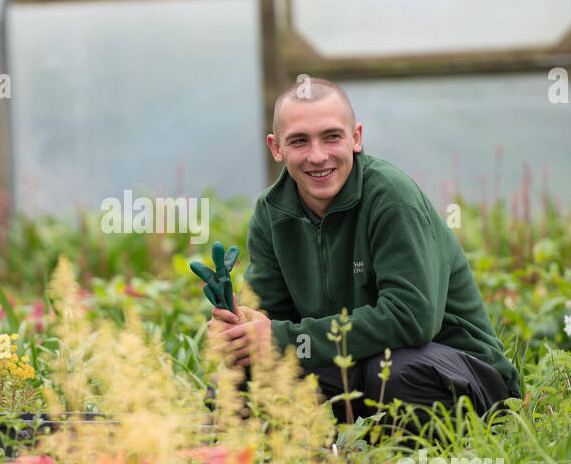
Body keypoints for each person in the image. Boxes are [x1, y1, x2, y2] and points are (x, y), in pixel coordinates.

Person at [208, 76, 522, 430]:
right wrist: (241, 334)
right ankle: (346, 449)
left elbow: (411, 320)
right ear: (276, 148)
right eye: (299, 141)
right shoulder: (272, 213)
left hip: (457, 370)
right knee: (236, 386)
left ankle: (390, 453)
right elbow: (271, 318)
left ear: (355, 138)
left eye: (332, 136)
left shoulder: (391, 198)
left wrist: (282, 339)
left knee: (391, 373)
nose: (317, 155)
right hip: (355, 362)